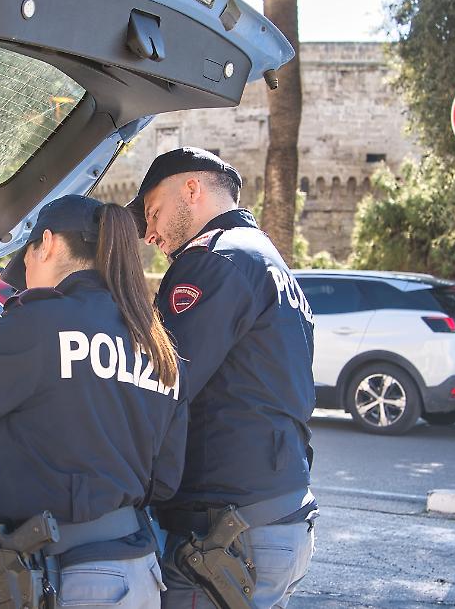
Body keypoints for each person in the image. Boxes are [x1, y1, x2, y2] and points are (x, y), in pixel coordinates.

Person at [0, 194, 189, 609]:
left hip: (70, 576)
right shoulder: (156, 344)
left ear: (46, 243)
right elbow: (167, 479)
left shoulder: (40, 323)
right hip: (137, 571)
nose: (26, 274)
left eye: (26, 261)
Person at [125, 148, 317, 609]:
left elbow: (161, 384)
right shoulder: (268, 260)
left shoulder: (213, 261)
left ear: (191, 189)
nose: (149, 232)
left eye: (154, 212)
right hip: (278, 514)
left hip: (226, 534)